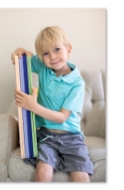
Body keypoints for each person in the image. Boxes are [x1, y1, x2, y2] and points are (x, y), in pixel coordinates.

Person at [11, 26, 94, 182]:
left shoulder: (77, 83)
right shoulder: (43, 66)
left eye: (57, 49)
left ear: (69, 49)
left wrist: (34, 107)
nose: (52, 57)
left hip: (71, 138)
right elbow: (20, 62)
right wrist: (19, 51)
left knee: (82, 177)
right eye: (45, 53)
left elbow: (62, 117)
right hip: (46, 137)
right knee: (42, 173)